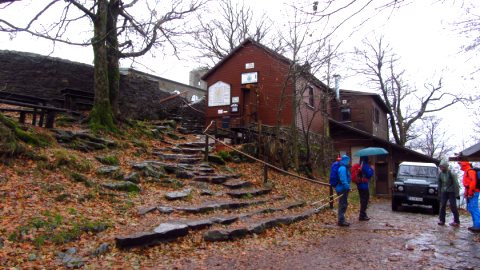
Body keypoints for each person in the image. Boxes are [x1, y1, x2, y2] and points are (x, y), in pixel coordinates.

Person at [437, 160, 460, 227]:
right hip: (444, 191)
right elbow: (439, 184)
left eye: (443, 167)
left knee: (453, 206)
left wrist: (457, 194)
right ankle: (442, 220)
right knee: (442, 205)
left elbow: (456, 183)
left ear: (446, 166)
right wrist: (439, 193)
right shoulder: (440, 174)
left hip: (451, 192)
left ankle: (456, 221)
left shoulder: (451, 173)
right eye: (440, 167)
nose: (441, 168)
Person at [458, 161, 480, 232]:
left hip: (473, 192)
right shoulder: (467, 171)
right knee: (471, 208)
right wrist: (466, 193)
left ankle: (477, 225)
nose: (460, 166)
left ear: (464, 165)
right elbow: (467, 184)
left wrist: (470, 192)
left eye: (460, 164)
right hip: (470, 192)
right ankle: (475, 225)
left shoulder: (470, 171)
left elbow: (473, 182)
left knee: (474, 208)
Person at [356, 156, 374, 221]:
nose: (369, 158)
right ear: (366, 158)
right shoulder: (365, 165)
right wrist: (372, 169)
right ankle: (362, 215)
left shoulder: (360, 164)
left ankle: (363, 214)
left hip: (359, 185)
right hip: (364, 186)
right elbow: (369, 174)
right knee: (365, 200)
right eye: (368, 157)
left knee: (362, 200)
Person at [336, 154, 352, 227]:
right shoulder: (343, 168)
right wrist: (348, 187)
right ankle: (341, 220)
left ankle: (341, 219)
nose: (349, 162)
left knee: (343, 204)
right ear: (345, 161)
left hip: (342, 188)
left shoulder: (343, 167)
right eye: (348, 161)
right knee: (343, 204)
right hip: (342, 189)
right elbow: (343, 179)